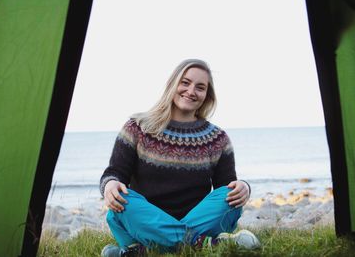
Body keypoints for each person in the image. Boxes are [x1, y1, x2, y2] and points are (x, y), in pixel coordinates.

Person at [99, 59, 260, 256]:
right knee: (121, 200)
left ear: (206, 96)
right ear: (173, 84)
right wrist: (109, 185)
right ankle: (202, 243)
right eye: (185, 82)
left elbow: (225, 188)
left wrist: (243, 186)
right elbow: (115, 173)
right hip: (144, 220)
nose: (191, 91)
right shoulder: (137, 127)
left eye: (200, 87)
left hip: (198, 218)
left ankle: (143, 250)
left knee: (231, 199)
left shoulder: (218, 138)